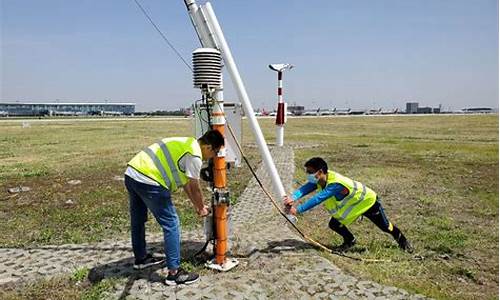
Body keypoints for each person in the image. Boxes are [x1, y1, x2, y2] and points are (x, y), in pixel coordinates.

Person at [124, 130, 224, 285]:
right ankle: (174, 273)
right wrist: (201, 208)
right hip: (150, 179)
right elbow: (194, 186)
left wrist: (198, 206)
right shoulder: (195, 155)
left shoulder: (186, 144)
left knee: (138, 220)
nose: (214, 157)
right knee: (171, 224)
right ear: (209, 147)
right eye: (216, 153)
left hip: (132, 173)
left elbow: (185, 184)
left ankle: (141, 259)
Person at [284, 157, 412, 252]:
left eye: (310, 172)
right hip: (354, 205)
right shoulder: (321, 179)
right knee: (334, 224)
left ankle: (403, 242)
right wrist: (293, 197)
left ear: (320, 171)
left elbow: (318, 198)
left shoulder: (335, 184)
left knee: (385, 227)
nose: (308, 175)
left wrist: (298, 210)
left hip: (368, 202)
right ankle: (350, 241)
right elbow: (306, 187)